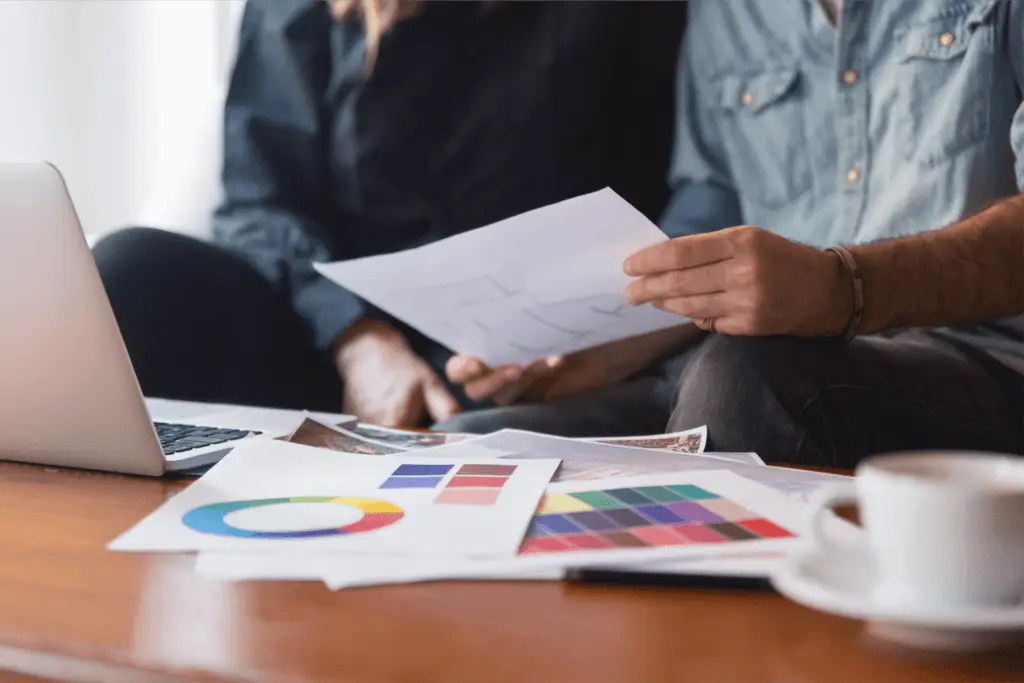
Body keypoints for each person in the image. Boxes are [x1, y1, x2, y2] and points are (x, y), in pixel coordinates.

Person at [92, 0, 690, 434]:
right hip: (331, 338)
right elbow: (261, 199)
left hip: (527, 350)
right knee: (133, 272)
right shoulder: (302, 13)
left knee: (482, 423)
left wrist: (590, 334)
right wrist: (355, 338)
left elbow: (680, 185)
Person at [618, 0, 1024, 468]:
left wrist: (841, 288)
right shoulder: (726, 11)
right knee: (517, 433)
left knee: (745, 381)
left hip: (989, 363)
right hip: (734, 370)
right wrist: (613, 332)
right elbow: (713, 202)